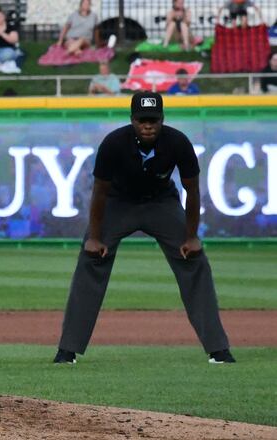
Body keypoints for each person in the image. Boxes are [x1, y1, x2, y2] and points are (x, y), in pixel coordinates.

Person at [53, 92, 235, 365]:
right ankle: (68, 350)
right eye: (142, 120)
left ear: (162, 120)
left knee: (193, 258)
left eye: (153, 120)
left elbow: (193, 191)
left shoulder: (177, 142)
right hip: (118, 202)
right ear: (132, 120)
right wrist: (94, 236)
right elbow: (100, 193)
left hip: (161, 203)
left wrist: (192, 236)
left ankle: (218, 349)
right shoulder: (114, 143)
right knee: (91, 257)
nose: (148, 126)